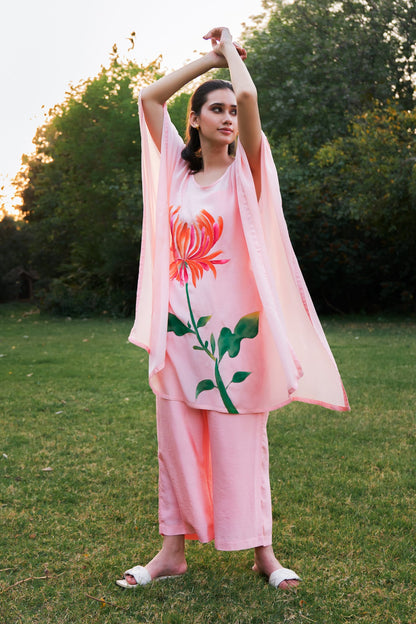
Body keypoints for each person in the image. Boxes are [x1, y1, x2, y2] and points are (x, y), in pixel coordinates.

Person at [117, 27, 349, 591]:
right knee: (176, 440)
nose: (225, 116)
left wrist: (232, 60)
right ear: (193, 120)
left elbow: (248, 101)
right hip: (180, 332)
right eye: (212, 110)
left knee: (242, 441)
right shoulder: (175, 168)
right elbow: (149, 98)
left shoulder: (249, 168)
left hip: (235, 340)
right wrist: (210, 60)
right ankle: (171, 552)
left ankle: (264, 555)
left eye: (228, 109)